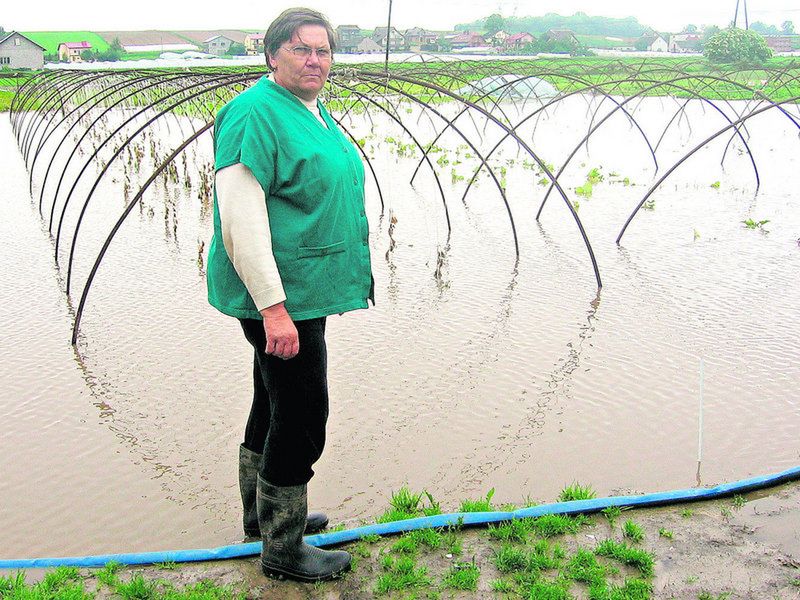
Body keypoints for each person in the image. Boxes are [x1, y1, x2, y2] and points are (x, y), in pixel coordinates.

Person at [206, 7, 373, 582]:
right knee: (303, 414)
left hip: (303, 289)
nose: (315, 60)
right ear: (272, 54)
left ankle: (265, 519)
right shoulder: (254, 113)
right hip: (279, 296)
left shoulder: (310, 108)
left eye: (323, 50)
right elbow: (242, 222)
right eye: (301, 49)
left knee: (271, 402)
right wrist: (274, 311)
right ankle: (283, 550)